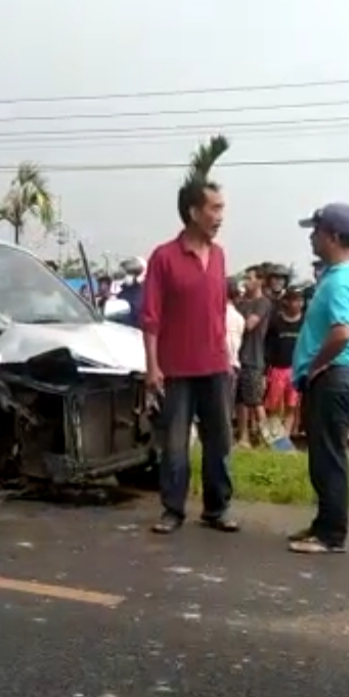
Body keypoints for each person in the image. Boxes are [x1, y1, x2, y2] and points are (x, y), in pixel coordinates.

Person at [142, 165, 237, 534]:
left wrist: (228, 359)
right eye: (214, 208)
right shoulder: (163, 257)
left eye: (221, 208)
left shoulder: (220, 256)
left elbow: (217, 311)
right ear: (194, 212)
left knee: (220, 443)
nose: (219, 217)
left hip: (215, 366)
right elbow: (151, 318)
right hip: (176, 369)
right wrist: (153, 367)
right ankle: (173, 510)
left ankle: (217, 508)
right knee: (176, 445)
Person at [289, 204, 349, 554]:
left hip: (335, 378)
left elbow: (342, 332)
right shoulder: (347, 274)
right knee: (323, 456)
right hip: (341, 377)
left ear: (334, 237)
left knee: (329, 458)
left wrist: (316, 365)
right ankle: (324, 524)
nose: (312, 236)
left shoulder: (341, 280)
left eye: (317, 230)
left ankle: (331, 534)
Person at [236, 266, 272, 446]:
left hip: (253, 357)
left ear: (260, 280)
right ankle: (243, 437)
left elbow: (250, 324)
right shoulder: (240, 302)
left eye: (250, 278)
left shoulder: (263, 303)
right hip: (237, 356)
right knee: (240, 401)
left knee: (255, 400)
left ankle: (272, 439)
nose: (247, 281)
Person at [264, 285, 305, 437]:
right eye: (294, 300)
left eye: (300, 300)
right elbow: (268, 347)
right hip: (277, 369)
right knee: (273, 405)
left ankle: (285, 437)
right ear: (287, 301)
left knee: (292, 405)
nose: (298, 304)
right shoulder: (276, 321)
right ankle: (275, 435)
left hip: (296, 370)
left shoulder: (305, 322)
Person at [226, 279, 245, 410]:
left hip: (219, 366)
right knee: (227, 406)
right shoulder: (239, 318)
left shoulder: (216, 315)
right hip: (234, 364)